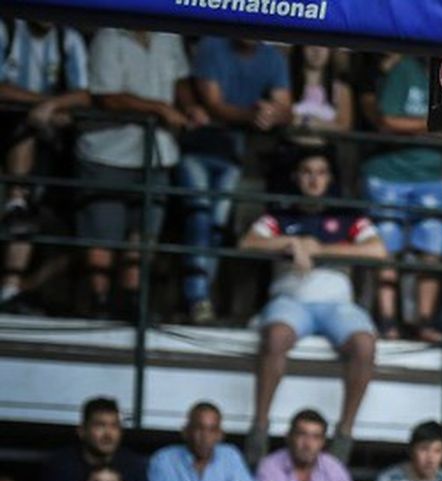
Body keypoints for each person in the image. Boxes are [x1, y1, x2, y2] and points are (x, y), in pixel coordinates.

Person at [241, 151, 386, 464]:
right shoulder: (280, 213)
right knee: (275, 336)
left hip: (336, 303)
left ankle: (345, 433)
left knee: (364, 344)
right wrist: (290, 244)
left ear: (329, 178)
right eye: (307, 171)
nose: (313, 178)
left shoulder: (347, 215)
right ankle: (260, 426)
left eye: (321, 172)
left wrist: (319, 249)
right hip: (291, 301)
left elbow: (378, 250)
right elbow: (248, 243)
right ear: (297, 177)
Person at [73, 30, 192, 320]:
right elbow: (106, 97)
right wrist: (159, 108)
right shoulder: (107, 36)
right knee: (103, 231)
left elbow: (180, 80)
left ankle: (133, 300)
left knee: (145, 232)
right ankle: (99, 303)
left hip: (157, 153)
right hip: (107, 151)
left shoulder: (169, 35)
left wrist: (191, 108)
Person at [176, 38, 291, 324]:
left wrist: (271, 115)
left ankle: (200, 299)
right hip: (198, 148)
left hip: (232, 154)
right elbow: (214, 104)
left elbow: (286, 107)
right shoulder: (211, 47)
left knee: (215, 228)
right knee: (199, 219)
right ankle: (196, 297)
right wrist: (254, 115)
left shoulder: (272, 57)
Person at [357, 54, 442, 342]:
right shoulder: (404, 69)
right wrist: (436, 125)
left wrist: (429, 127)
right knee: (387, 244)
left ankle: (424, 321)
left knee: (432, 245)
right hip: (389, 173)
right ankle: (386, 321)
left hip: (432, 173)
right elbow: (387, 119)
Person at [0, 20, 89, 314]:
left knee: (65, 234)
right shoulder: (7, 30)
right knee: (24, 126)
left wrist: (52, 110)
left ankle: (14, 290)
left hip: (49, 147)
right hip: (12, 129)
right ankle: (16, 196)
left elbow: (85, 95)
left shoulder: (69, 38)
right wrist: (46, 105)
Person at [41, 396, 150, 481]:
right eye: (100, 425)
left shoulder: (134, 465)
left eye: (114, 426)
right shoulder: (62, 465)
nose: (108, 434)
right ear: (82, 431)